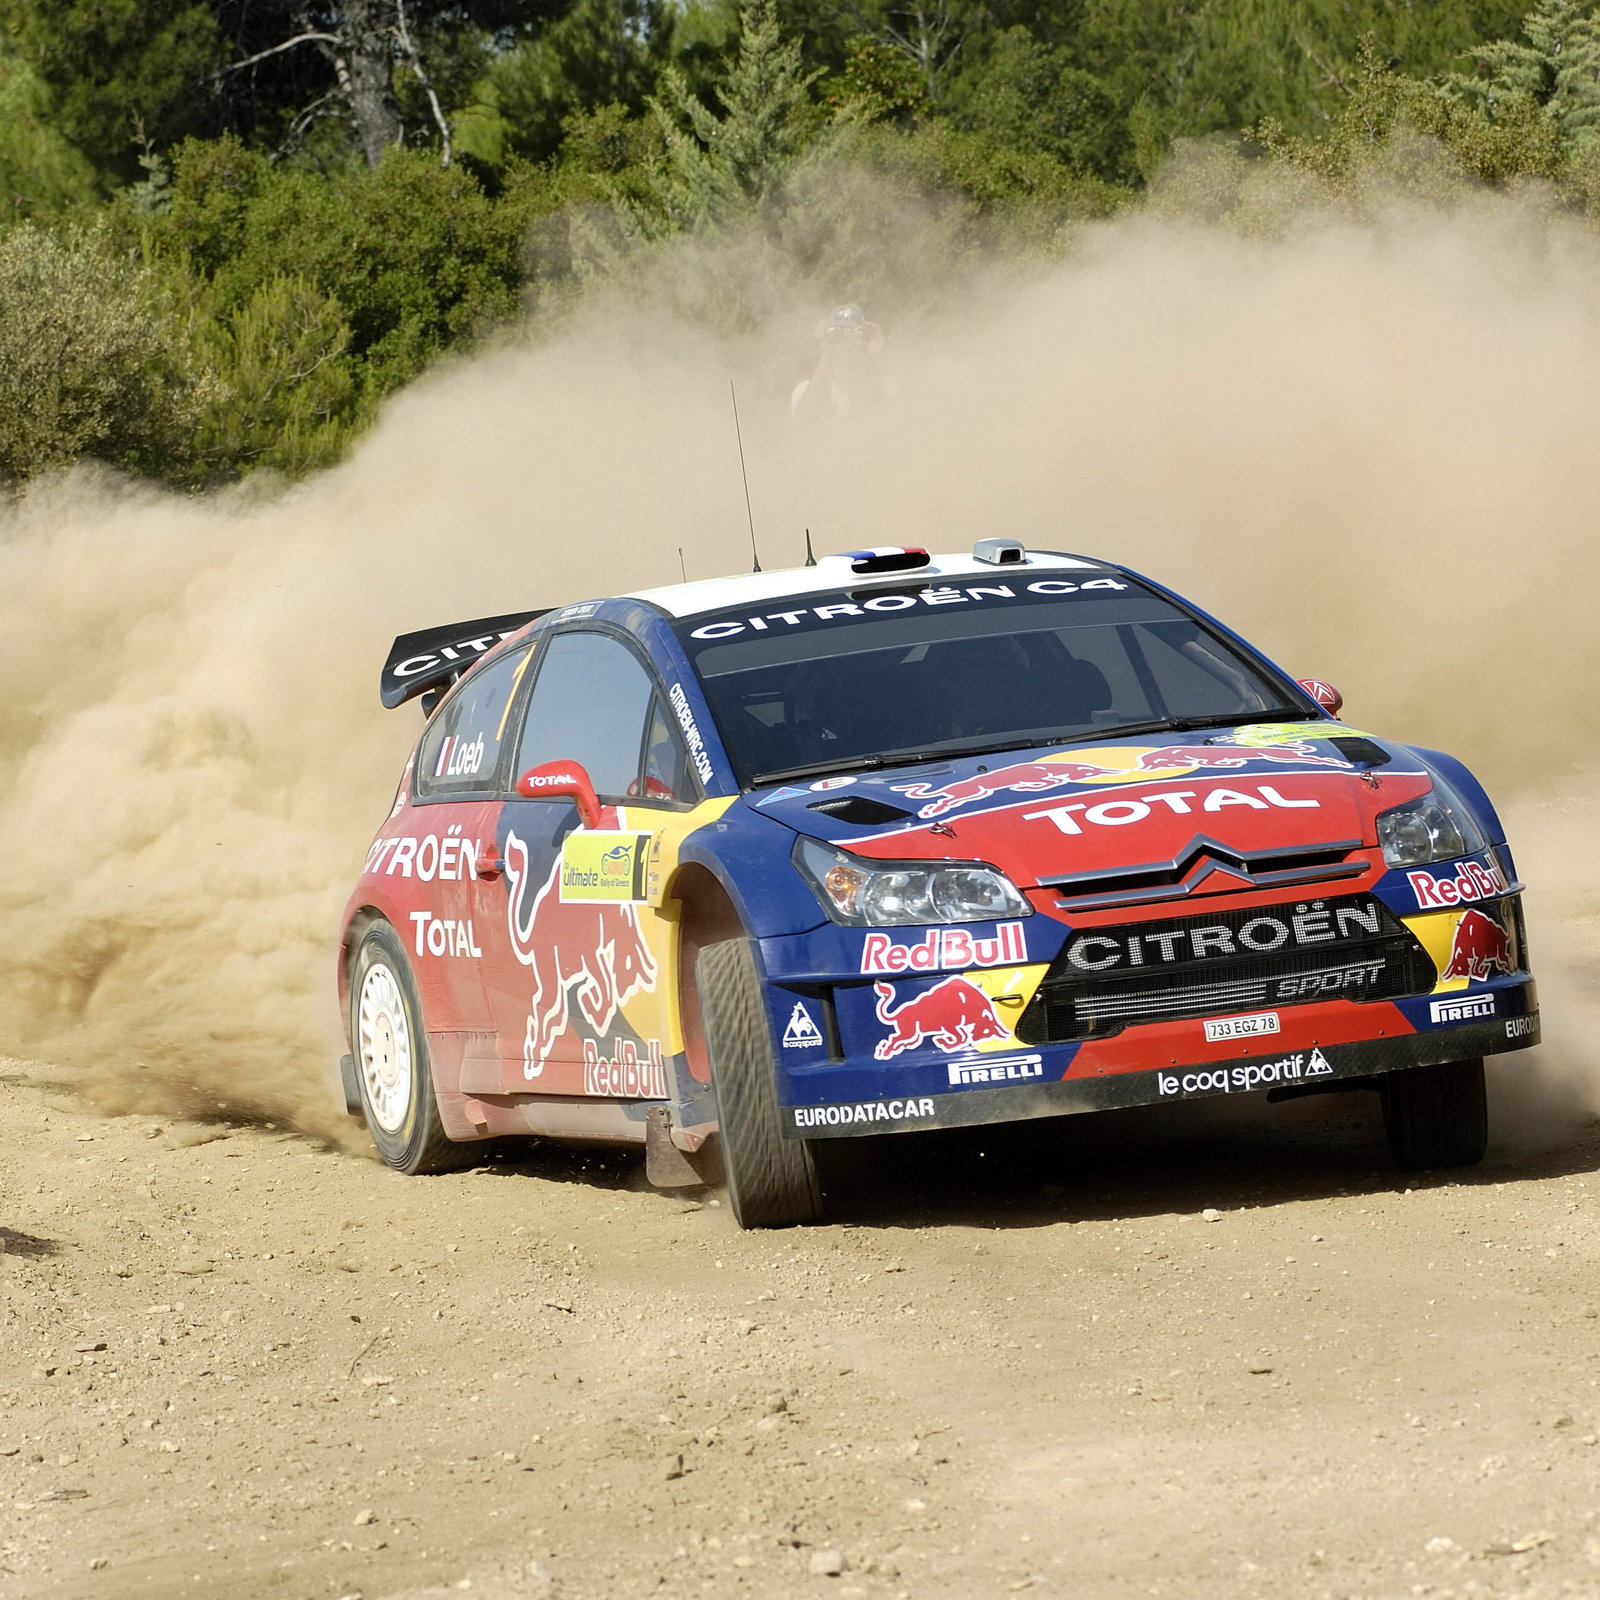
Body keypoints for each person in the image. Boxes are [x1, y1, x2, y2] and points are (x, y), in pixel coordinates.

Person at [790, 304, 890, 421]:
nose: (847, 344)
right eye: (839, 336)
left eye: (854, 335)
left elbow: (903, 418)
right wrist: (826, 355)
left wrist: (877, 358)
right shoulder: (806, 389)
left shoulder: (884, 385)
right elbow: (802, 423)